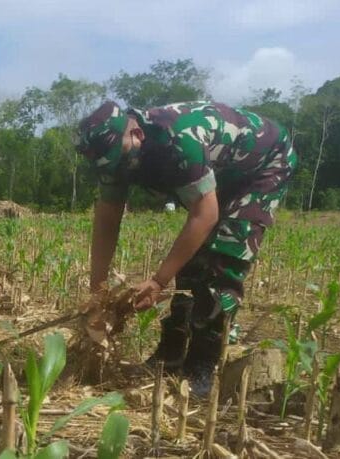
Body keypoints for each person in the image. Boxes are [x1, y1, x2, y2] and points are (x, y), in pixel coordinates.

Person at [77, 100, 297, 393]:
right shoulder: (114, 155)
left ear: (137, 135)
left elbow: (205, 214)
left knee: (223, 258)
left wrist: (158, 281)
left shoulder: (179, 140)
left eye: (121, 160)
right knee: (191, 266)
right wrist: (98, 291)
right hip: (219, 173)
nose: (118, 170)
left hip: (261, 167)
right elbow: (107, 219)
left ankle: (202, 364)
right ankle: (171, 353)